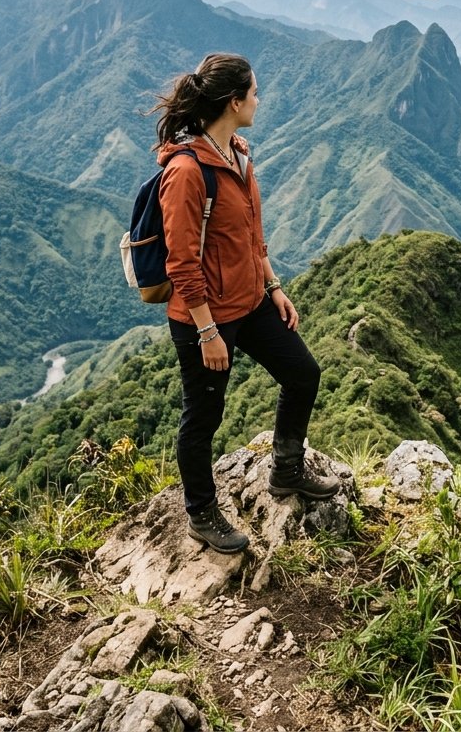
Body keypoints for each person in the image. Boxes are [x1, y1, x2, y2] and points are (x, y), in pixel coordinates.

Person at [153, 52, 338, 554]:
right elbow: (181, 262)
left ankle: (286, 469)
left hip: (249, 299)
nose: (259, 100)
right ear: (234, 102)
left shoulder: (238, 152)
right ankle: (201, 513)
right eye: (254, 93)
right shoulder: (188, 172)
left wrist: (273, 287)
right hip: (204, 314)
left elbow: (252, 235)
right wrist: (207, 332)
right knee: (203, 416)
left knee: (303, 373)